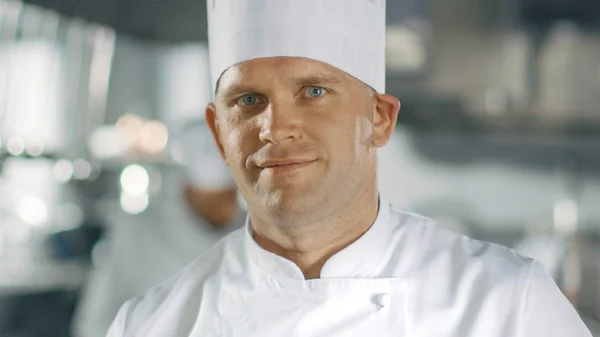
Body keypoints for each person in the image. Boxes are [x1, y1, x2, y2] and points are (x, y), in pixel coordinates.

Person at [106, 0, 592, 336]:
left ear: (379, 119)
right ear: (219, 134)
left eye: (313, 92)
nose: (276, 127)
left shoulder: (506, 304)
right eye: (248, 100)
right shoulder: (151, 324)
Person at [72, 119, 244, 337]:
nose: (224, 210)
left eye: (228, 197)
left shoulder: (257, 235)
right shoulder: (139, 231)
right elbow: (96, 320)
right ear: (187, 191)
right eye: (213, 202)